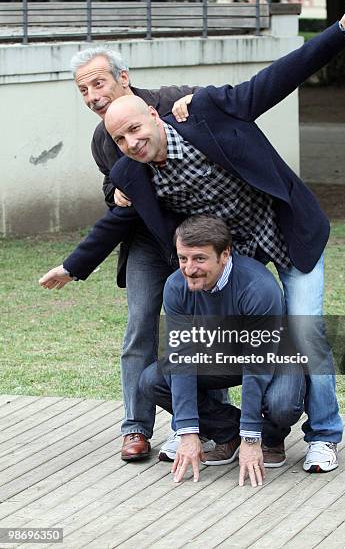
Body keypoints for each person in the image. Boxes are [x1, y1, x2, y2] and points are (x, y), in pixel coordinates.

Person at [39, 0, 345, 473]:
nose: (132, 143)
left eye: (135, 129)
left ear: (152, 114)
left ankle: (323, 436)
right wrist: (72, 267)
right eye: (120, 139)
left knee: (305, 331)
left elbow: (274, 81)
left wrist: (338, 33)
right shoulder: (132, 173)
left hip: (288, 233)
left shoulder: (205, 111)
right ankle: (229, 428)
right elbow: (116, 221)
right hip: (242, 253)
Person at [68, 47, 211, 461]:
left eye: (99, 83)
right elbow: (113, 191)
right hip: (148, 240)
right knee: (140, 328)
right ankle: (135, 428)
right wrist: (112, 193)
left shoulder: (169, 99)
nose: (93, 96)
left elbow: (226, 104)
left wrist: (196, 99)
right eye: (83, 91)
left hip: (200, 239)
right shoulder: (102, 141)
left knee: (206, 332)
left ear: (124, 78)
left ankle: (207, 425)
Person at [140, 214, 306, 487]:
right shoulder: (175, 287)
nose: (190, 268)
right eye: (183, 258)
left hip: (273, 357)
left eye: (199, 259)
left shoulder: (257, 288)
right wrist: (188, 432)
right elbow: (181, 358)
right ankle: (228, 433)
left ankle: (270, 439)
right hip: (221, 358)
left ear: (225, 255)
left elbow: (258, 365)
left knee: (283, 403)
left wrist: (252, 438)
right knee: (153, 379)